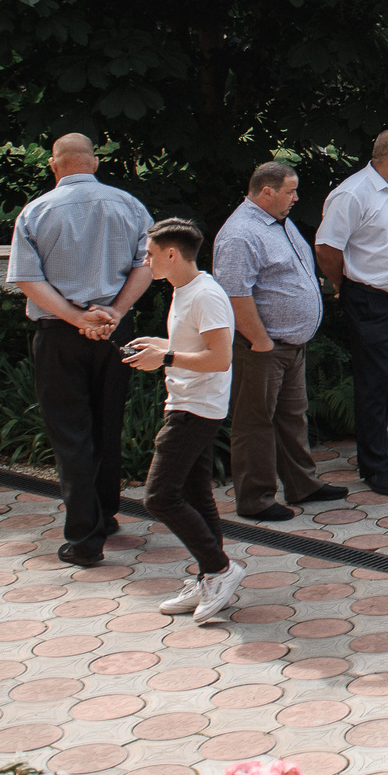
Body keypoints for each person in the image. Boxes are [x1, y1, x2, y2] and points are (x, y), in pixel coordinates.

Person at [8, 132, 155, 568]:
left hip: (59, 332)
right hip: (115, 328)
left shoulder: (35, 212)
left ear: (54, 166)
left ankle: (84, 538)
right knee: (108, 423)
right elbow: (148, 264)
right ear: (94, 162)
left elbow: (27, 279)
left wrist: (77, 318)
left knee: (71, 432)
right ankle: (105, 514)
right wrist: (114, 312)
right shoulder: (130, 206)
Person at [123, 217, 246, 623]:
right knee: (196, 494)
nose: (145, 261)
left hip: (196, 407)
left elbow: (221, 357)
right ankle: (210, 575)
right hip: (187, 402)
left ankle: (221, 569)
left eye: (150, 254)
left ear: (172, 254)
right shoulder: (185, 289)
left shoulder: (206, 295)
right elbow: (197, 343)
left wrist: (166, 356)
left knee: (159, 497)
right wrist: (161, 345)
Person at [214, 161, 343, 523]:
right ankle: (255, 499)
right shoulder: (240, 234)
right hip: (262, 347)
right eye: (290, 191)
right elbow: (234, 294)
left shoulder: (278, 223)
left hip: (290, 346)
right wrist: (260, 341)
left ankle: (303, 485)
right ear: (267, 192)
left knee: (291, 417)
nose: (296, 198)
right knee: (255, 423)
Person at [316, 129, 388, 498]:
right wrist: (346, 284)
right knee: (373, 383)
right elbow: (327, 247)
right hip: (370, 300)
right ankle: (372, 466)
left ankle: (380, 449)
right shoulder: (353, 193)